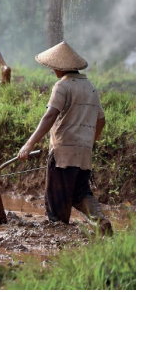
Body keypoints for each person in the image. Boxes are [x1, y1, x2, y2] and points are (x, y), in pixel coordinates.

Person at [17, 41, 112, 235]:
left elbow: (50, 116)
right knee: (80, 194)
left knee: (56, 199)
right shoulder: (90, 88)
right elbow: (101, 120)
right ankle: (100, 221)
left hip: (62, 154)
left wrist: (28, 144)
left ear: (59, 68)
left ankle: (58, 235)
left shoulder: (62, 86)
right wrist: (89, 143)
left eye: (54, 67)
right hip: (83, 153)